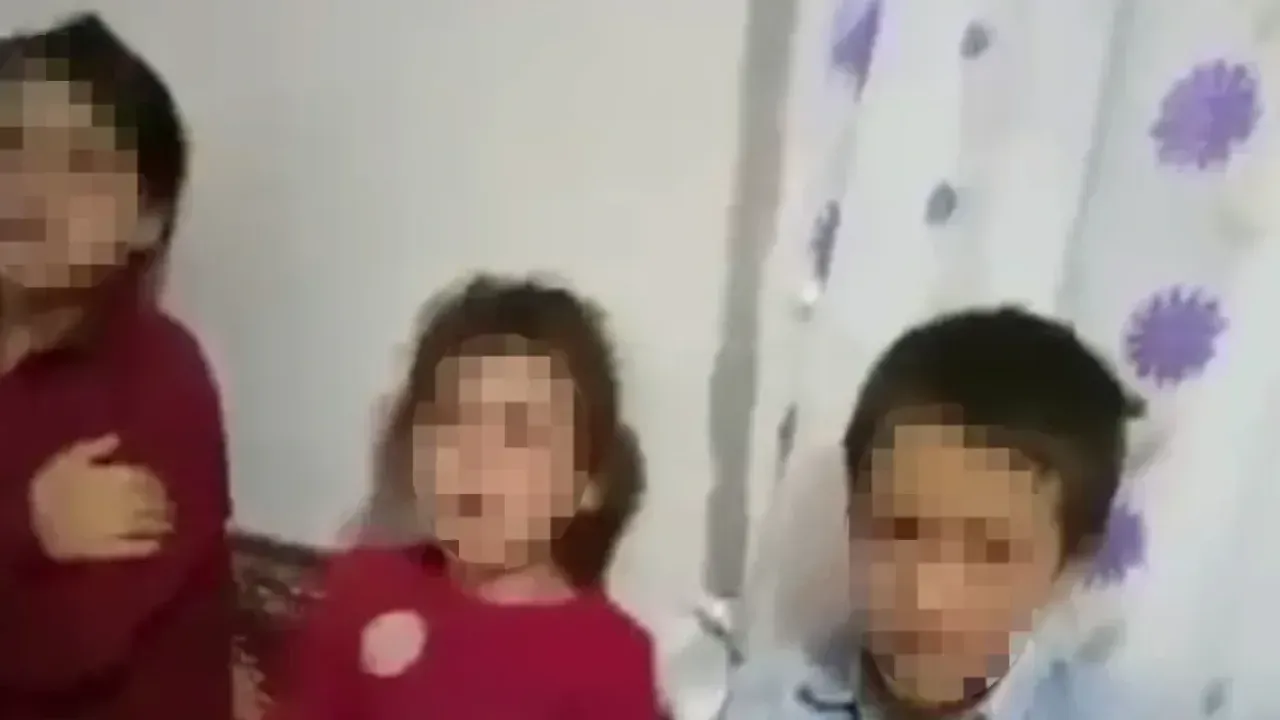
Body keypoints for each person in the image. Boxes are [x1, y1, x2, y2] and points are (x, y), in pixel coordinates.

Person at [720, 307, 1143, 719]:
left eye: (991, 553)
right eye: (899, 531)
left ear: (1068, 569)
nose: (929, 597)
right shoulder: (769, 706)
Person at [271, 275, 662, 719]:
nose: (478, 458)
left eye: (517, 434)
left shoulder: (610, 660)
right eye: (451, 424)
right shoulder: (362, 586)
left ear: (589, 482)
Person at [0, 13, 232, 720]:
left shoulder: (162, 378)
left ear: (148, 219)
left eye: (80, 165)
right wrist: (26, 525)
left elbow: (64, 647)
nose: (29, 192)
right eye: (8, 147)